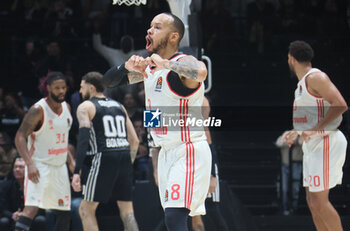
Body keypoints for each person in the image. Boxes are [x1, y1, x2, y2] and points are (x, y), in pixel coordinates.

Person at [102, 12, 211, 231]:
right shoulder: (150, 71)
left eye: (157, 27)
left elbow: (201, 72)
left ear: (173, 36)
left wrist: (166, 64)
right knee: (174, 218)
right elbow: (108, 81)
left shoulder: (182, 62)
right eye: (150, 26)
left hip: (188, 149)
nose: (149, 30)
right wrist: (127, 68)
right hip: (165, 153)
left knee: (175, 217)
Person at [282, 40, 348, 231]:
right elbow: (312, 117)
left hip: (327, 141)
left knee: (320, 202)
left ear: (291, 59)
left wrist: (316, 129)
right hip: (314, 144)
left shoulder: (316, 77)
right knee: (312, 202)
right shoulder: (302, 84)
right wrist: (297, 131)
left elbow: (340, 105)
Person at [71, 72, 140, 231]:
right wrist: (127, 163)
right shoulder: (119, 106)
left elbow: (83, 140)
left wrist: (76, 171)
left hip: (104, 156)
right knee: (127, 212)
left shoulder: (86, 106)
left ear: (91, 87)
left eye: (82, 87)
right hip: (124, 156)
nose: (80, 92)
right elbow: (134, 140)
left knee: (85, 209)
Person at [14, 72, 73, 231]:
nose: (61, 91)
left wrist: (71, 161)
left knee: (64, 211)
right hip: (40, 166)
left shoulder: (66, 107)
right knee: (31, 209)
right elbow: (19, 136)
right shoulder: (38, 109)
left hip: (60, 167)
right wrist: (29, 164)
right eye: (57, 88)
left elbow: (62, 140)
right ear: (48, 88)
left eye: (63, 88)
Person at [0, 157, 47, 231]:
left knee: (41, 220)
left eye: (21, 167)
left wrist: (26, 215)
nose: (17, 169)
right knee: (3, 221)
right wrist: (12, 215)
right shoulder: (6, 185)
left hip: (32, 217)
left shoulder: (36, 185)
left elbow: (42, 207)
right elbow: (2, 208)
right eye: (15, 167)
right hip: (13, 217)